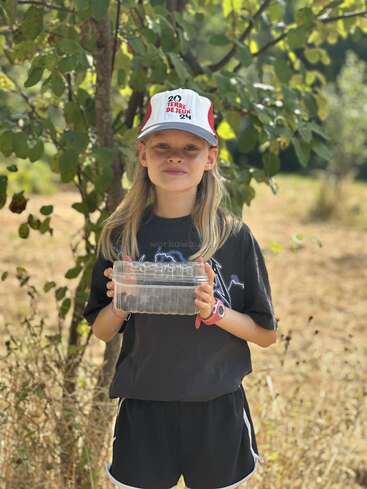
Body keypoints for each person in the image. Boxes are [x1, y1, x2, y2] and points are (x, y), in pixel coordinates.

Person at [83, 88, 278, 489]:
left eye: (190, 147)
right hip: (145, 406)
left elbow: (266, 334)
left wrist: (216, 312)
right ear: (143, 154)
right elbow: (102, 331)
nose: (175, 156)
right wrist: (121, 302)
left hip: (216, 406)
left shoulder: (233, 236)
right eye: (162, 145)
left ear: (210, 157)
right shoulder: (122, 235)